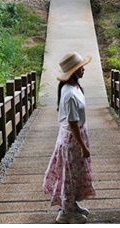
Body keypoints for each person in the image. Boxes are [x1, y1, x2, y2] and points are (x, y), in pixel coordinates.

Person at [43, 52, 96, 223]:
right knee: (70, 175)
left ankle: (71, 204)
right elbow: (73, 123)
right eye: (80, 67)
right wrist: (83, 146)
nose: (83, 70)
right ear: (73, 71)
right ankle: (66, 212)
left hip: (73, 135)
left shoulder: (74, 87)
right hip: (72, 139)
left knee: (74, 173)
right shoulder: (70, 94)